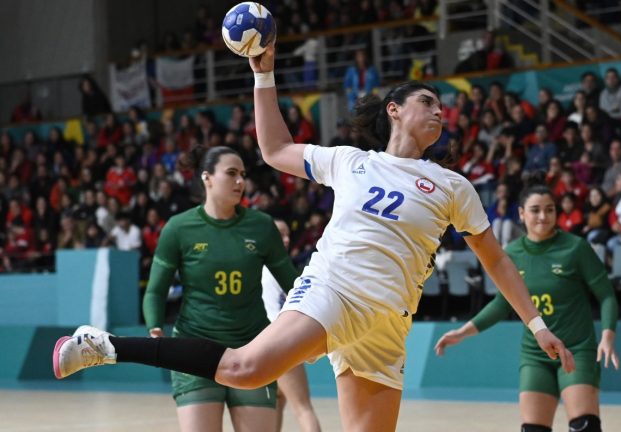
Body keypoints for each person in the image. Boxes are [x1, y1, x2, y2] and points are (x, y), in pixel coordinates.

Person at [53, 43, 574, 432]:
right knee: (245, 368)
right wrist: (264, 75)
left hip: (389, 323)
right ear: (395, 109)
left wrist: (537, 322)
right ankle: (105, 345)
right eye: (428, 101)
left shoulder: (453, 185)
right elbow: (275, 148)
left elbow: (498, 262)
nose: (441, 112)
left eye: (443, 107)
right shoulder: (350, 160)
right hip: (335, 288)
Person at [140, 145, 300, 432]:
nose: (240, 181)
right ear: (207, 178)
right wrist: (154, 327)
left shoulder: (262, 227)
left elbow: (294, 285)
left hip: (253, 351)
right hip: (194, 349)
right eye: (231, 173)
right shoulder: (179, 228)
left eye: (243, 174)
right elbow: (155, 290)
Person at [434, 184, 618, 432]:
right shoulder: (511, 254)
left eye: (549, 209)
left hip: (576, 349)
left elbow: (606, 295)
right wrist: (462, 332)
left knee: (584, 426)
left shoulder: (576, 248)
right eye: (535, 210)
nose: (543, 216)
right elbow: (502, 304)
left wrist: (607, 336)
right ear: (521, 214)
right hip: (535, 356)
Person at [261, 219, 322, 432]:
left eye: (287, 234)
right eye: (280, 234)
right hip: (279, 345)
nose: (286, 239)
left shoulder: (266, 266)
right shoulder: (275, 269)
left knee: (278, 404)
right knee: (303, 409)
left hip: (266, 346)